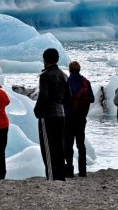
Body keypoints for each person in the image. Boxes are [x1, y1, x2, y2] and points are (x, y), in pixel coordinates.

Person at [34, 48, 70, 181]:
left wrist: (37, 110)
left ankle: (51, 176)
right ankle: (60, 176)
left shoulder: (45, 75)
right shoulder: (63, 75)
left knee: (48, 147)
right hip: (61, 114)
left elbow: (43, 95)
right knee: (59, 145)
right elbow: (68, 97)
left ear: (45, 60)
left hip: (48, 114)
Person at [64, 61, 94, 177]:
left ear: (70, 70)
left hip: (68, 117)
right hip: (81, 117)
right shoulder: (86, 82)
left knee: (68, 144)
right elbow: (91, 98)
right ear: (79, 69)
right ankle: (82, 171)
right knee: (81, 144)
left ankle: (70, 170)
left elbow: (62, 99)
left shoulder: (67, 82)